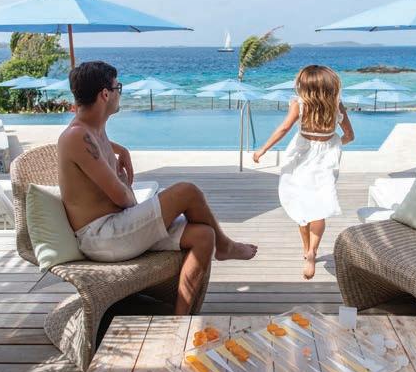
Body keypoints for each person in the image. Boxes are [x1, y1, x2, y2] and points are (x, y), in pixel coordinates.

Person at [58, 61, 257, 315]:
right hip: (102, 236)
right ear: (105, 94)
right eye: (118, 87)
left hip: (118, 228)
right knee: (186, 192)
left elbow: (98, 146)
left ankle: (179, 321)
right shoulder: (76, 136)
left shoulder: (93, 128)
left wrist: (122, 151)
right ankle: (225, 245)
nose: (120, 93)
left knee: (203, 236)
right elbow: (123, 199)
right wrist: (125, 184)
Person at [253, 65, 354, 279]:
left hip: (301, 158)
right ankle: (312, 252)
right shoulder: (336, 105)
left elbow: (284, 128)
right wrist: (333, 143)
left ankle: (306, 249)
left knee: (301, 205)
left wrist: (263, 149)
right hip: (326, 160)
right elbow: (349, 135)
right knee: (320, 206)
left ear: (305, 86)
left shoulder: (299, 105)